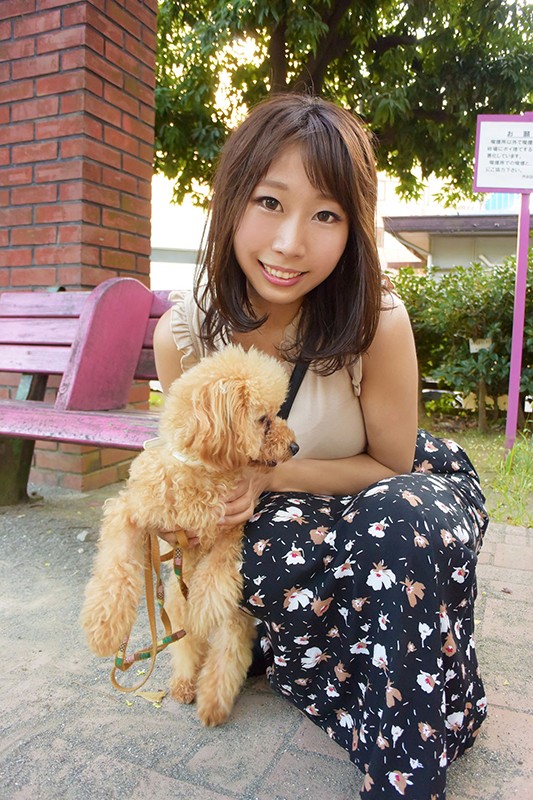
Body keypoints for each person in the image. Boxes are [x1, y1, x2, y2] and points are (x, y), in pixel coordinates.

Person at [153, 94, 488, 799]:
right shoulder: (185, 334)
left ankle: (403, 765)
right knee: (254, 551)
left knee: (398, 532)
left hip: (389, 491)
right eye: (270, 202)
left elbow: (391, 465)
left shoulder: (378, 321)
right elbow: (193, 474)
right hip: (297, 520)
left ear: (353, 227)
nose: (289, 243)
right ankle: (334, 654)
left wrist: (272, 478)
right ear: (232, 200)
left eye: (326, 215)